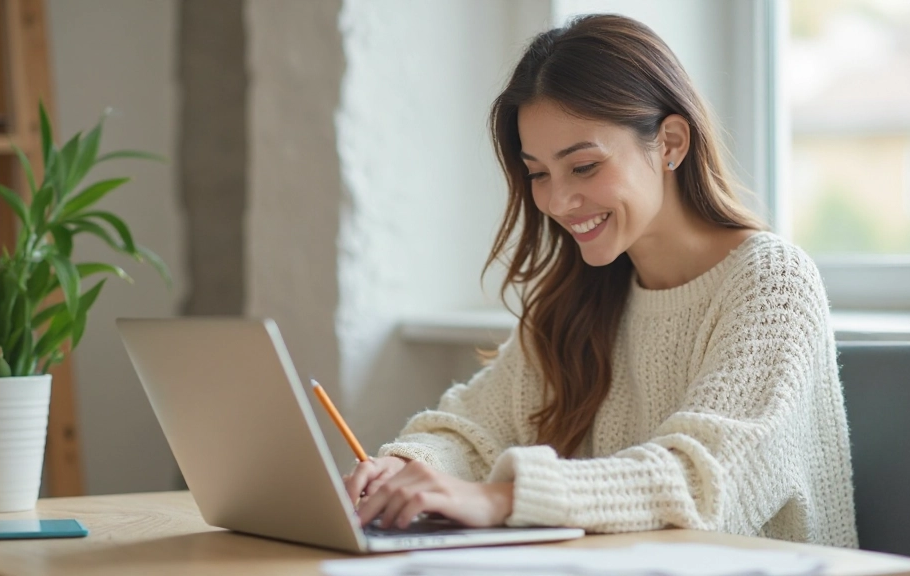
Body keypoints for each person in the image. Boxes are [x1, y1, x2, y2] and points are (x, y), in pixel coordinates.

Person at [343, 14, 858, 547]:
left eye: (584, 166)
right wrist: (406, 468)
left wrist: (502, 498)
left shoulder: (773, 283)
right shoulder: (583, 295)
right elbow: (473, 432)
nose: (557, 201)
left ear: (671, 143)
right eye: (538, 173)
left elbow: (705, 482)